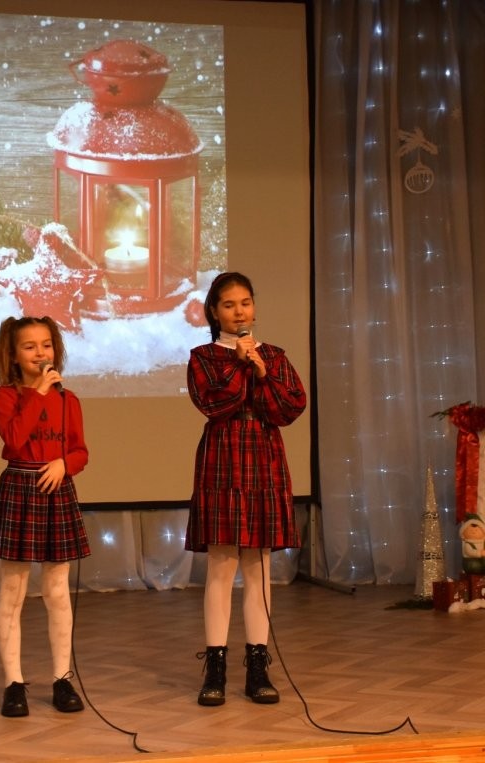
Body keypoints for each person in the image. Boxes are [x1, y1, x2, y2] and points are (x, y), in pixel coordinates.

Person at [186, 272, 307, 706]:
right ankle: (215, 667)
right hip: (223, 458)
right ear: (214, 312)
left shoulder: (273, 355)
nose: (240, 312)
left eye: (246, 303)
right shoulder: (203, 357)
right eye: (229, 305)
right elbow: (214, 403)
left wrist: (262, 370)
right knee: (222, 566)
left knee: (258, 567)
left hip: (263, 456)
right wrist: (240, 366)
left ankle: (258, 666)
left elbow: (289, 408)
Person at [0, 316, 90, 718]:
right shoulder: (5, 396)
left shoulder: (69, 399)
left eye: (46, 345)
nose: (40, 353)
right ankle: (14, 684)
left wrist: (65, 464)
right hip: (20, 488)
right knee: (13, 591)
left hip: (56, 490)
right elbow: (14, 439)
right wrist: (38, 394)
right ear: (13, 355)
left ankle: (62, 679)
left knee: (57, 591)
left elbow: (80, 451)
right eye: (30, 347)